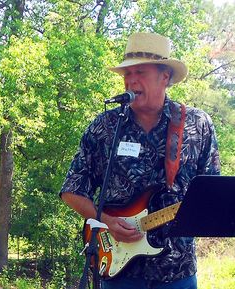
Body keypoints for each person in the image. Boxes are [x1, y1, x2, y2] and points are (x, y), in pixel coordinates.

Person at [60, 32, 221, 289]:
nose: (131, 81)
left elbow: (213, 193)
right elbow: (71, 190)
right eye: (127, 74)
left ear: (165, 77)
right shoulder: (105, 126)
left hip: (177, 270)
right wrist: (107, 222)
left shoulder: (197, 125)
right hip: (119, 270)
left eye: (140, 73)